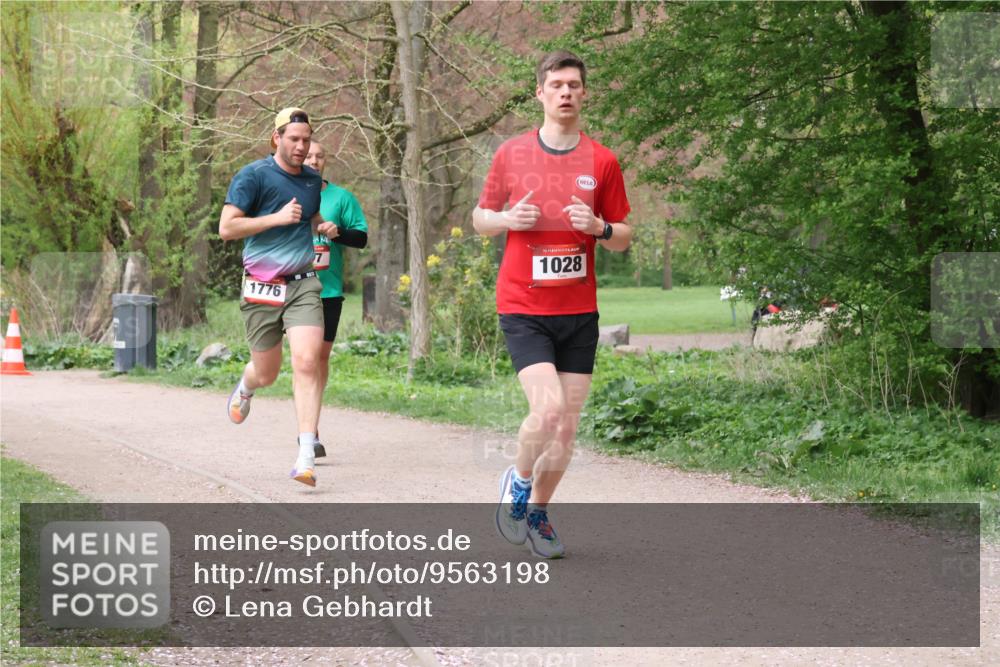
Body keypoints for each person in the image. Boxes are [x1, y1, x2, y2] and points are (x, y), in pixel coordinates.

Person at [473, 50, 633, 558]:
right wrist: (505, 221)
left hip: (578, 312)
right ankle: (517, 484)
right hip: (523, 305)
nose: (566, 92)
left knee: (567, 426)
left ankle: (538, 513)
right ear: (539, 93)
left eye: (574, 85)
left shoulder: (602, 160)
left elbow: (625, 236)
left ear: (585, 94)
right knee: (547, 410)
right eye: (556, 84)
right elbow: (481, 217)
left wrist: (600, 228)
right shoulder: (512, 154)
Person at [219, 107, 339, 487]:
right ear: (277, 138)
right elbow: (227, 228)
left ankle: (305, 454)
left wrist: (324, 225)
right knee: (267, 372)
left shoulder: (310, 180)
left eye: (306, 140)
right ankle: (247, 386)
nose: (302, 147)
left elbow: (310, 216)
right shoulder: (252, 176)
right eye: (294, 139)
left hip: (303, 283)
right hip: (261, 285)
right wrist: (275, 218)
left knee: (307, 361)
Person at [302, 140, 368, 458]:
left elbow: (362, 238)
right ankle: (308, 433)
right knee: (306, 360)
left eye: (320, 156)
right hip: (293, 288)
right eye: (309, 155)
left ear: (326, 160)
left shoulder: (341, 198)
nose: (314, 160)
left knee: (320, 359)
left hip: (328, 291)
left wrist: (337, 231)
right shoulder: (284, 194)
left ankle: (311, 427)